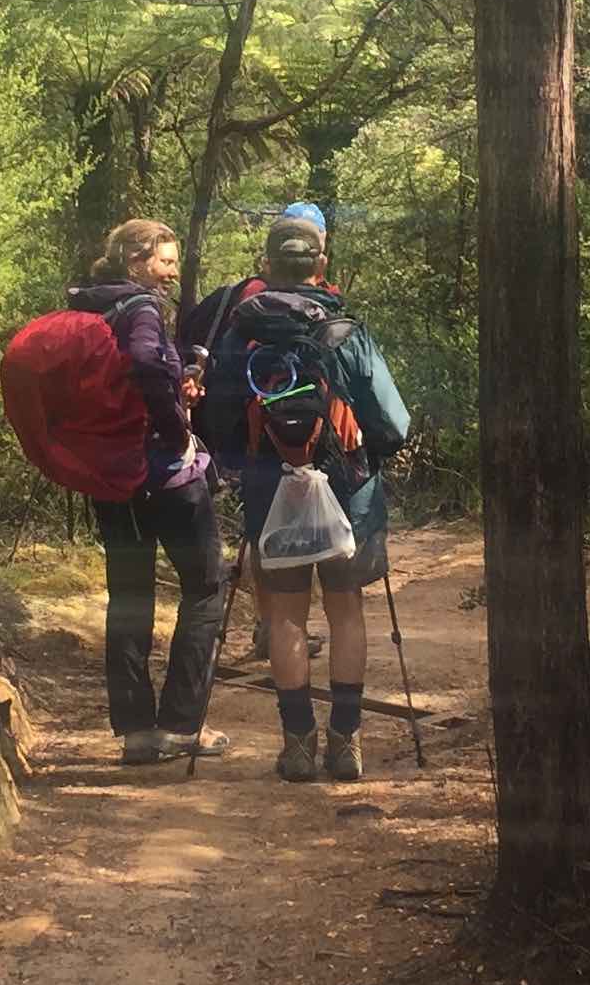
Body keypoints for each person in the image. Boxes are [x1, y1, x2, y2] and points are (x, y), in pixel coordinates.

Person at [201, 205, 409, 784]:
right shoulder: (346, 332)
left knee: (287, 615)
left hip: (272, 484)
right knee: (345, 611)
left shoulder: (242, 332)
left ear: (267, 265)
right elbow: (394, 423)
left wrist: (254, 463)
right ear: (321, 264)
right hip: (348, 486)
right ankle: (346, 744)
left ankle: (297, 745)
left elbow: (215, 421)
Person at [68, 219, 230, 768]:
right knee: (206, 589)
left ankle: (136, 732)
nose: (172, 270)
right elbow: (140, 363)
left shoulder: (90, 308)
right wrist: (178, 429)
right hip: (165, 475)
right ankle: (181, 726)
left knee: (130, 597)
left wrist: (174, 379)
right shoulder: (141, 307)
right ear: (137, 262)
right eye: (164, 260)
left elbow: (125, 377)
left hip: (112, 477)